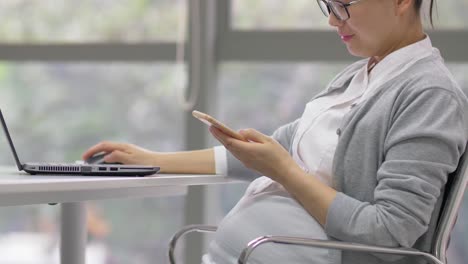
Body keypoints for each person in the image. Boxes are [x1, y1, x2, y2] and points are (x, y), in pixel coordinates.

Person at [82, 0, 468, 263]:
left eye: (343, 5)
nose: (334, 20)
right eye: (328, 6)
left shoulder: (429, 94)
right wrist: (152, 160)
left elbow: (390, 229)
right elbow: (275, 149)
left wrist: (283, 170)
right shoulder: (362, 76)